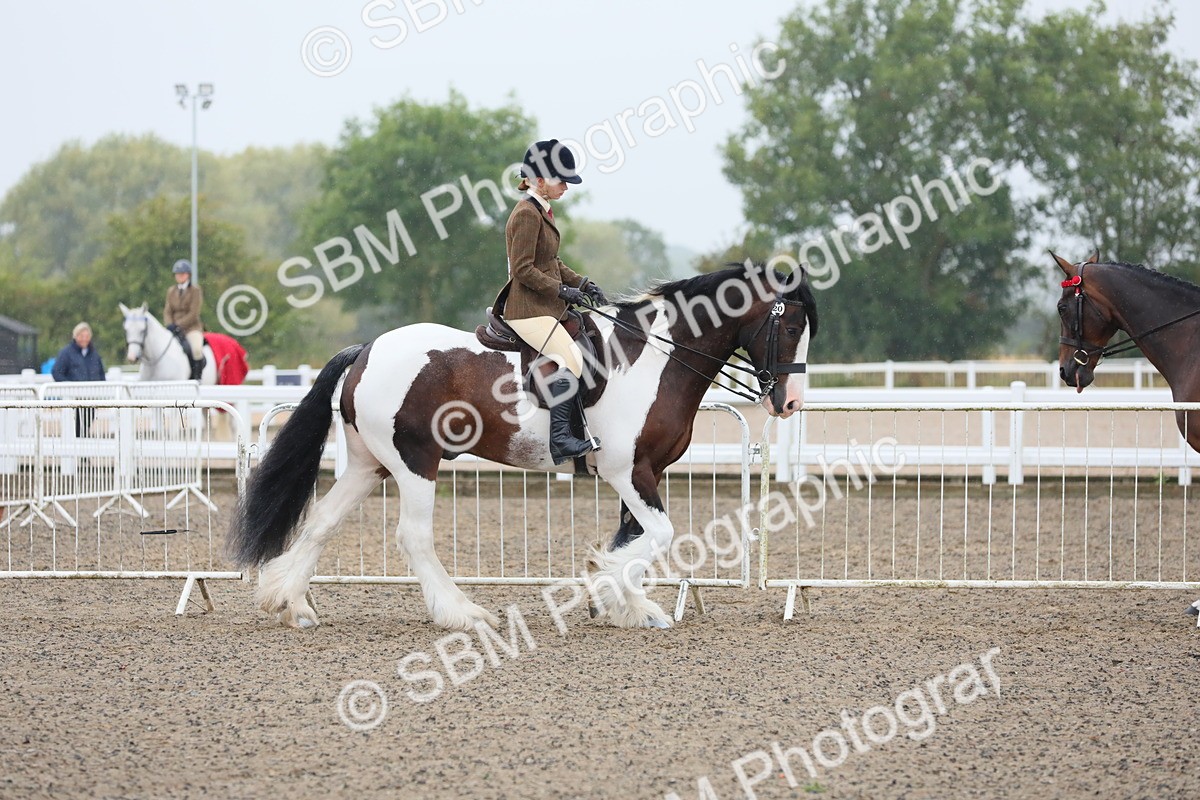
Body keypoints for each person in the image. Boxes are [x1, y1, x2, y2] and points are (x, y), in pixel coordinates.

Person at [495, 139, 609, 464]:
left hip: (545, 306)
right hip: (526, 310)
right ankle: (560, 439)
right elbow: (522, 269)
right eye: (561, 180)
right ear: (540, 180)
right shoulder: (526, 215)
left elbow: (551, 262)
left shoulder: (542, 211)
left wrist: (581, 283)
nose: (566, 187)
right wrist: (561, 291)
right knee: (571, 359)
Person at [51, 321, 105, 434]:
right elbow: (56, 372)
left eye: (87, 336)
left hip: (91, 397)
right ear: (76, 337)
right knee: (74, 426)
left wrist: (101, 390)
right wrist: (69, 386)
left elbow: (101, 374)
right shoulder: (66, 353)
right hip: (73, 398)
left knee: (86, 425)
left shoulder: (94, 354)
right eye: (81, 336)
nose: (84, 339)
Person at [163, 259, 205, 380]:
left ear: (188, 275)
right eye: (178, 274)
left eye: (182, 274)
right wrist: (170, 324)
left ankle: (197, 377)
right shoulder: (171, 291)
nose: (180, 276)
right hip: (173, 328)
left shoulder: (195, 291)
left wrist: (179, 325)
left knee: (196, 349)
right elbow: (167, 311)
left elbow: (194, 313)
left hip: (191, 328)